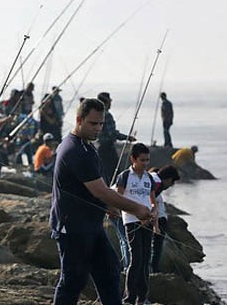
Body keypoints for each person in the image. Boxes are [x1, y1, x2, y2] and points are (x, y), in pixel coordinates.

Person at [50, 98, 152, 305]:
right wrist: (137, 209)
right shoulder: (75, 150)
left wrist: (110, 206)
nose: (98, 128)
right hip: (72, 227)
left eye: (101, 124)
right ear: (79, 120)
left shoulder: (86, 147)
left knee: (109, 270)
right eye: (93, 123)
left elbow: (98, 190)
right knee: (73, 281)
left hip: (91, 225)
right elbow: (101, 192)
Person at [116, 143, 157, 305]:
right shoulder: (125, 176)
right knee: (136, 258)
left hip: (147, 222)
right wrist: (137, 214)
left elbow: (153, 202)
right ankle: (129, 298)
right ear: (133, 159)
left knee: (146, 259)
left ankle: (142, 298)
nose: (145, 163)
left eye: (147, 160)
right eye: (142, 160)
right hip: (132, 222)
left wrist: (153, 214)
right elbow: (118, 200)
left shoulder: (149, 178)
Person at [96, 92, 135, 184]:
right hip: (108, 148)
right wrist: (128, 138)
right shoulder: (107, 115)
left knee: (103, 173)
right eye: (109, 101)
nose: (110, 104)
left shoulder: (96, 114)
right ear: (106, 102)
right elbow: (112, 134)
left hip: (99, 147)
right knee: (115, 174)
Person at [149, 165, 180, 273]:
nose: (170, 186)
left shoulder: (152, 176)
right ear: (169, 179)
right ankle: (154, 269)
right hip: (154, 218)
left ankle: (151, 268)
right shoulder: (158, 184)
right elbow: (148, 201)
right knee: (156, 246)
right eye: (172, 183)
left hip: (152, 216)